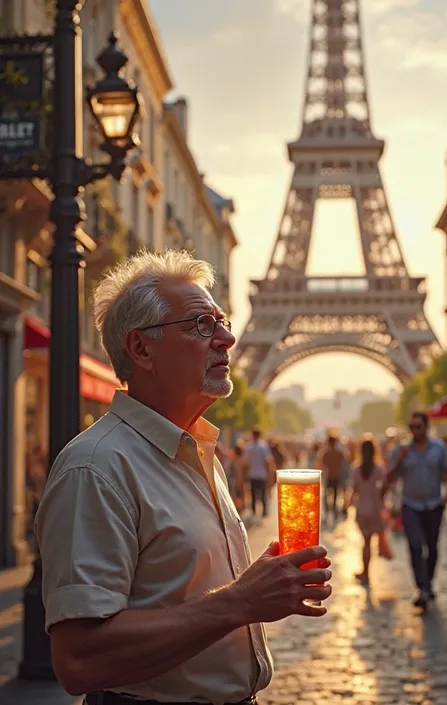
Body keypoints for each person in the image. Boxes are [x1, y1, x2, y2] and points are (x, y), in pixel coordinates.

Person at [36, 250, 333, 705]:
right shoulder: (96, 468)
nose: (228, 338)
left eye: (222, 321)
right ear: (141, 349)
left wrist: (257, 589)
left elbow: (185, 597)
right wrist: (241, 601)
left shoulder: (196, 452)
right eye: (201, 324)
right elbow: (79, 660)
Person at [388, 411, 447, 611]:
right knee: (415, 546)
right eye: (412, 427)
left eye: (418, 427)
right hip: (411, 505)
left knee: (432, 548)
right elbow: (389, 476)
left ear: (426, 427)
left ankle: (428, 582)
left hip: (434, 504)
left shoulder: (439, 448)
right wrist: (399, 460)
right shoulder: (402, 449)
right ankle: (422, 588)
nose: (415, 431)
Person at [345, 438, 391, 586]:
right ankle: (367, 572)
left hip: (361, 509)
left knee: (365, 542)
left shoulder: (356, 469)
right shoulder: (379, 469)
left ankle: (365, 573)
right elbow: (384, 489)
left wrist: (348, 505)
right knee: (370, 542)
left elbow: (353, 490)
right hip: (375, 509)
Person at [244, 428, 275, 520]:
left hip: (252, 474)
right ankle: (264, 512)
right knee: (263, 493)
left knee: (253, 494)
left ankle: (254, 511)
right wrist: (270, 473)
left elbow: (246, 462)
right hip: (262, 474)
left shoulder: (249, 447)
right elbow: (268, 461)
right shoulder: (263, 446)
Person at [321, 435, 345, 523]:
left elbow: (322, 465)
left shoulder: (326, 453)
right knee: (335, 497)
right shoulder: (339, 453)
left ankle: (327, 515)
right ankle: (334, 514)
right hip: (336, 476)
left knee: (326, 498)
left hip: (329, 477)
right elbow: (344, 462)